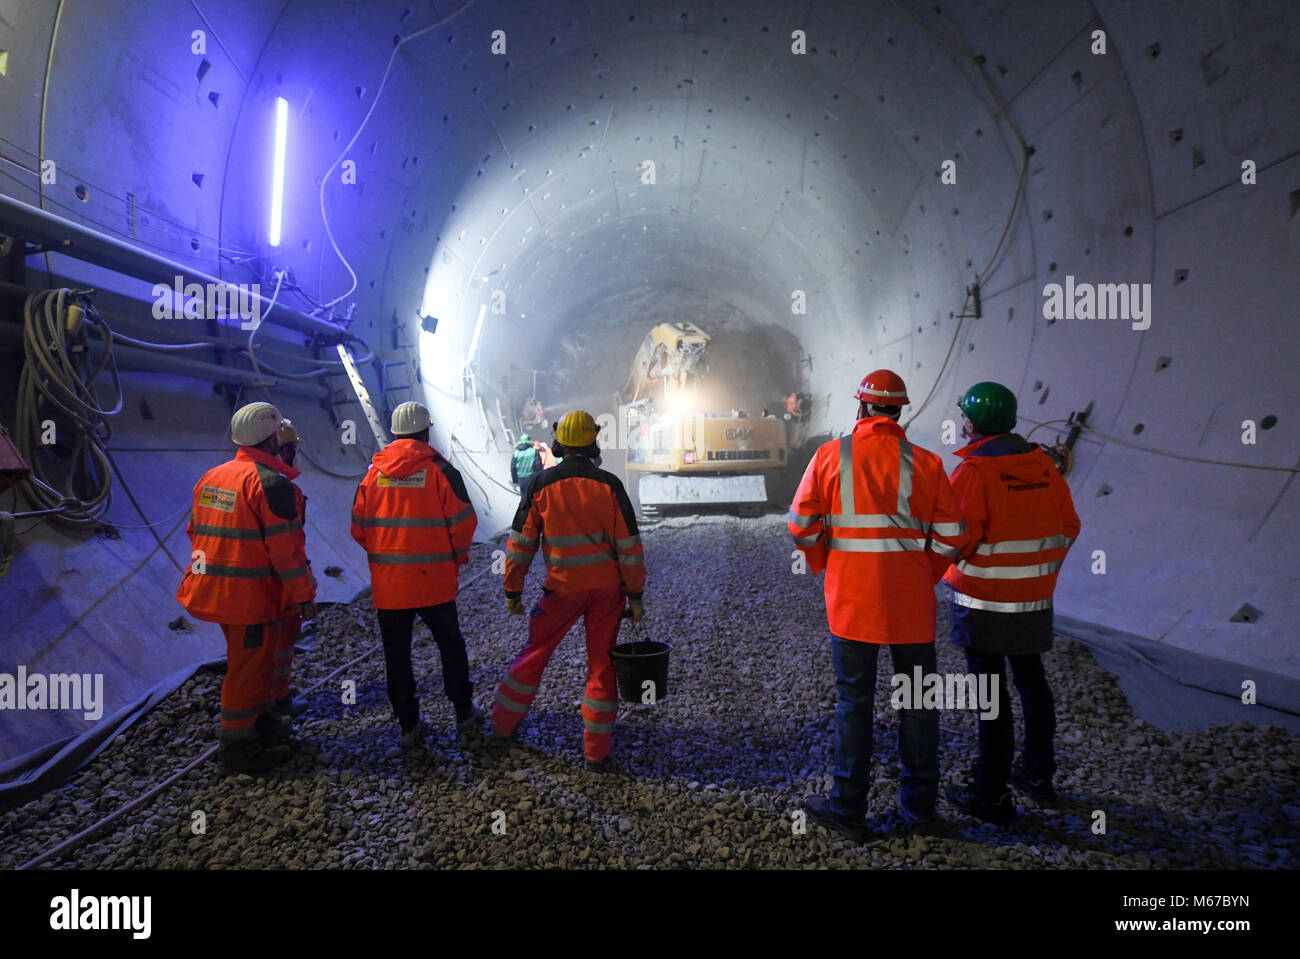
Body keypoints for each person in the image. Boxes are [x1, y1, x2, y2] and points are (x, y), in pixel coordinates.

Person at [788, 370, 968, 840]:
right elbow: (952, 537)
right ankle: (923, 813)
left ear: (862, 408)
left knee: (855, 704)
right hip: (913, 612)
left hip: (851, 607)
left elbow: (800, 526)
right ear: (899, 410)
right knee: (918, 706)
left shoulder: (830, 456)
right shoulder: (927, 463)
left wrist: (826, 564)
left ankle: (848, 811)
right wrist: (923, 575)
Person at [942, 382, 1081, 824]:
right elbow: (1068, 527)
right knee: (1033, 685)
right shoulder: (1044, 466)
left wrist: (947, 573)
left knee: (990, 697)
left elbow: (955, 538)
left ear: (972, 423)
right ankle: (1038, 776)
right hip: (1033, 603)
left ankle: (991, 795)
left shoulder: (973, 473)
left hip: (982, 604)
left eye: (965, 416)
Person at [489, 410, 645, 773]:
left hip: (561, 590)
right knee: (602, 667)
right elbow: (630, 547)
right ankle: (596, 754)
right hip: (607, 592)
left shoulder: (540, 486)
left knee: (533, 655)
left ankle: (500, 728)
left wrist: (512, 589)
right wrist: (635, 594)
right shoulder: (610, 485)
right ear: (593, 442)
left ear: (559, 443)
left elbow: (521, 543)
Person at [176, 402, 316, 774]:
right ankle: (239, 751)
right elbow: (287, 552)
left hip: (214, 590)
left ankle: (262, 724)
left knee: (253, 662)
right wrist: (304, 596)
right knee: (247, 670)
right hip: (248, 599)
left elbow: (196, 531)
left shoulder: (212, 478)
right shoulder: (271, 484)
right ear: (273, 438)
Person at [350, 401, 481, 748]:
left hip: (390, 587)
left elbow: (359, 527)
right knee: (450, 646)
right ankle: (464, 713)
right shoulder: (440, 470)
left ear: (394, 434)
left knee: (397, 654)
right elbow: (464, 522)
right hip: (434, 583)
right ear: (426, 431)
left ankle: (409, 726)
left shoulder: (372, 473)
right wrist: (455, 556)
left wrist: (386, 556)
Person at [270, 419, 311, 720]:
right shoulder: (280, 489)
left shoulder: (220, 479)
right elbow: (289, 549)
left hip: (229, 589)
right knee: (278, 645)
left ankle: (269, 703)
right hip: (273, 589)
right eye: (293, 449)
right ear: (282, 450)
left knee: (251, 655)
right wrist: (305, 595)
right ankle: (272, 708)